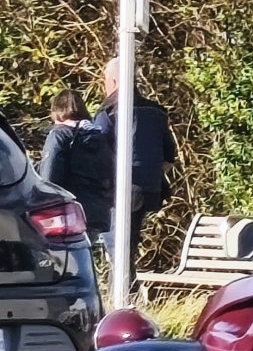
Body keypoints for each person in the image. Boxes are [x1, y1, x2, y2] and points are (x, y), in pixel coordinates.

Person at [91, 57, 177, 258]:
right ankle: (131, 288)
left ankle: (125, 289)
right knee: (128, 247)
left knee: (116, 248)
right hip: (149, 190)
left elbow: (97, 154)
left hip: (119, 191)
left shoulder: (109, 112)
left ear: (112, 81)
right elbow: (169, 157)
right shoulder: (156, 111)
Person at [38, 90, 114, 239]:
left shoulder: (59, 135)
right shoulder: (99, 136)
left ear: (57, 111)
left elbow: (49, 178)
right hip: (97, 214)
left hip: (68, 215)